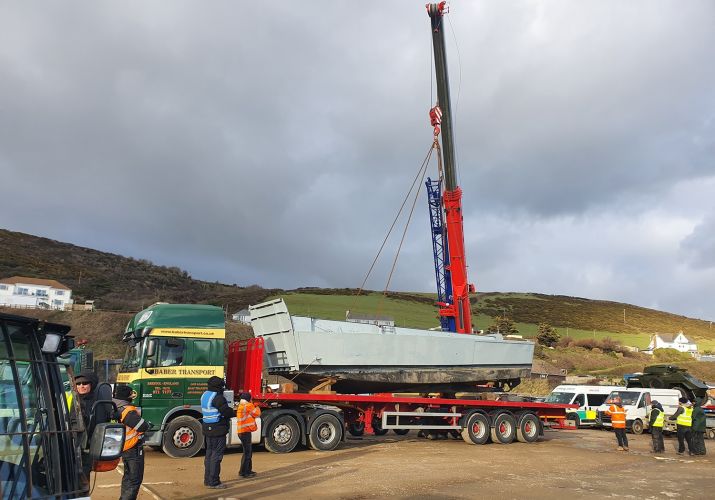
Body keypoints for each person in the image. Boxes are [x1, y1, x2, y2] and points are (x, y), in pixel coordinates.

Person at [113, 385, 150, 500]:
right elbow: (142, 426)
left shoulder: (114, 406)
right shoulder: (127, 410)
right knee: (134, 479)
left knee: (128, 477)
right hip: (132, 448)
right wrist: (147, 424)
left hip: (123, 446)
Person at [201, 376, 235, 489]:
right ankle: (214, 482)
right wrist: (234, 411)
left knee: (209, 455)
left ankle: (207, 480)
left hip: (207, 428)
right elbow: (226, 411)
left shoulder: (205, 395)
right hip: (218, 428)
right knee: (217, 456)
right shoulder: (218, 397)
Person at [236, 392, 261, 478]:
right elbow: (257, 414)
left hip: (241, 432)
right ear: (248, 399)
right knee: (248, 453)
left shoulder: (241, 405)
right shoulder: (248, 405)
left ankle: (246, 470)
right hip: (245, 432)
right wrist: (257, 406)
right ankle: (244, 472)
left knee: (246, 452)